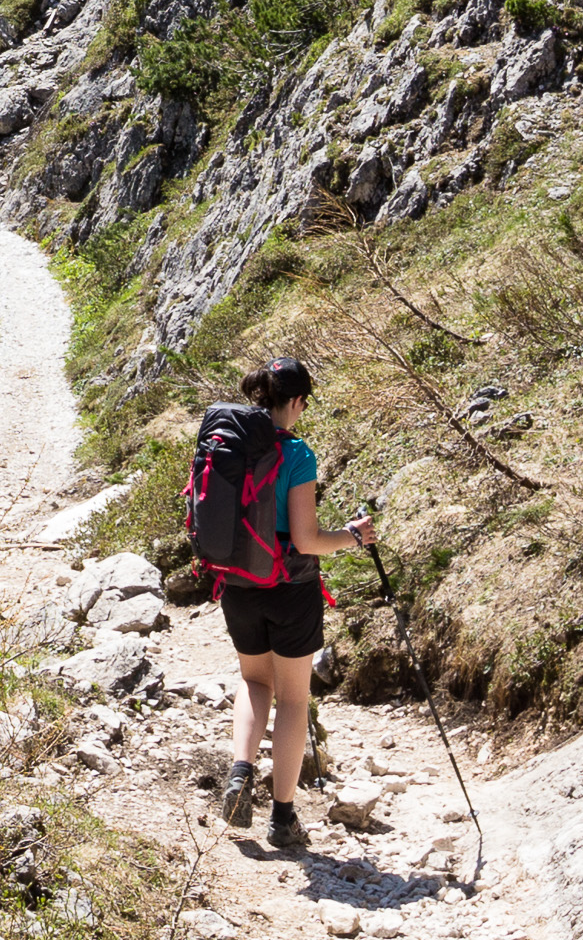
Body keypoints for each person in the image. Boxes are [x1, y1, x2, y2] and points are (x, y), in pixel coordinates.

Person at [214, 357, 369, 852]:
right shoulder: (298, 454)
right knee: (294, 699)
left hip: (238, 584)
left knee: (253, 680)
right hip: (290, 589)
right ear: (297, 401)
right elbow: (306, 540)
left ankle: (241, 771)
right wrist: (352, 537)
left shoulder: (227, 444)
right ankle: (282, 817)